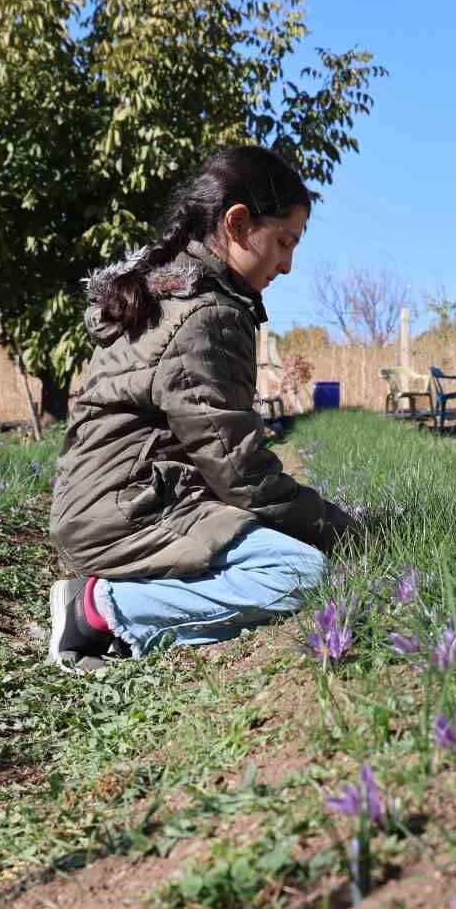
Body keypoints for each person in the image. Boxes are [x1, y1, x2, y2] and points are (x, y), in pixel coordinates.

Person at [47, 146, 356, 672]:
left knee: (288, 549)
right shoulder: (205, 315)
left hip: (117, 501)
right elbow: (239, 471)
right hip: (131, 510)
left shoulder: (177, 290)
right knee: (302, 574)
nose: (287, 264)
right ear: (238, 223)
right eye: (284, 241)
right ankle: (99, 611)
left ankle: (120, 596)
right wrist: (342, 531)